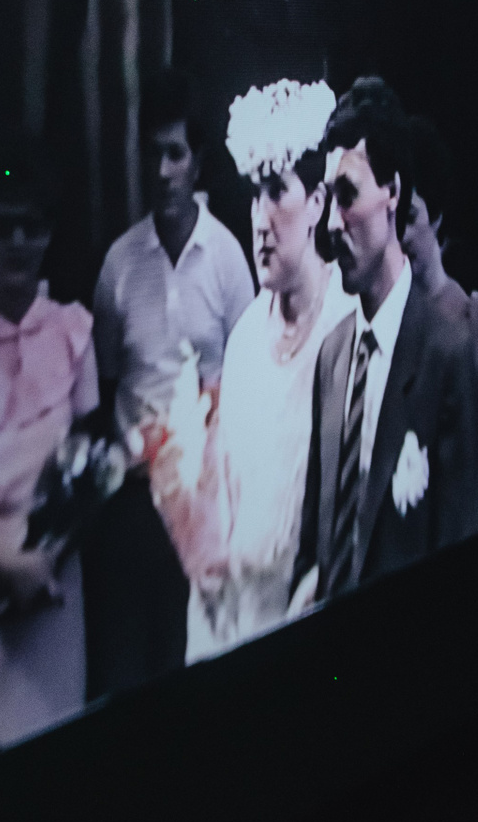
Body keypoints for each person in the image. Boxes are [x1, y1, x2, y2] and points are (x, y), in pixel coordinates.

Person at [148, 79, 357, 662]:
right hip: (237, 627)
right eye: (254, 196)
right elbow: (223, 499)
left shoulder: (346, 326)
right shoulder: (243, 340)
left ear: (316, 203)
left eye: (277, 192)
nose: (260, 219)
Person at [85, 69, 255, 697]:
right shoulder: (118, 265)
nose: (162, 172)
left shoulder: (230, 260)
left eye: (175, 154)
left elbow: (249, 381)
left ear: (198, 162)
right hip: (133, 505)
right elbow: (104, 386)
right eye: (152, 154)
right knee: (128, 679)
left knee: (195, 673)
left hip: (206, 504)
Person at [291, 78, 478, 610]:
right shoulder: (333, 356)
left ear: (393, 193)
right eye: (328, 200)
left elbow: (464, 553)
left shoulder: (447, 349)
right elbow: (314, 545)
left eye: (348, 196)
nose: (332, 224)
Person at [0, 139, 98, 756]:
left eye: (32, 226)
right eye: (2, 227)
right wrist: (0, 566)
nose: (18, 242)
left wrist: (46, 558)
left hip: (55, 595)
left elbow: (90, 470)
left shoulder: (74, 331)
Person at [403, 114, 478, 521]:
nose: (401, 235)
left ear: (435, 217)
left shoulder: (462, 312)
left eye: (411, 218)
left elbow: (475, 457)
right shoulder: (389, 309)